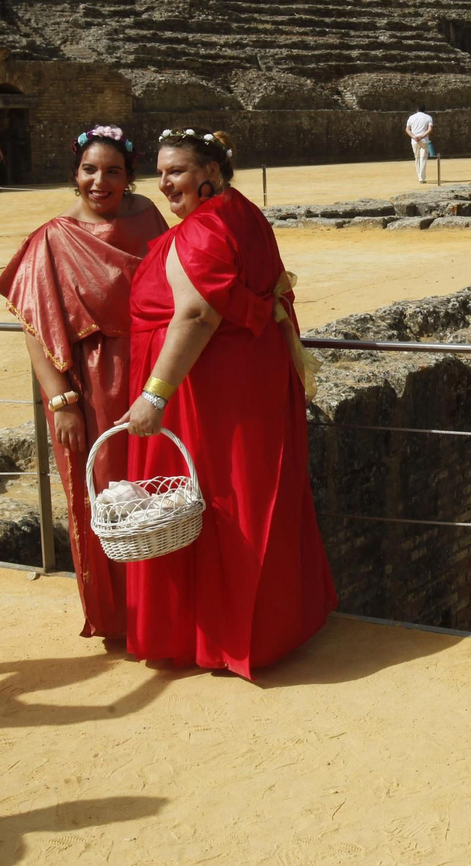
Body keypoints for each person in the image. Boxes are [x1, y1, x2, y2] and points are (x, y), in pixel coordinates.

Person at [120, 126, 337, 678]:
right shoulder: (240, 212)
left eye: (178, 171)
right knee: (251, 494)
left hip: (210, 396)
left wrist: (154, 395)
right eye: (162, 172)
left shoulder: (204, 229)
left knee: (217, 502)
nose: (166, 182)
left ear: (209, 174)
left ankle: (218, 638)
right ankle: (262, 630)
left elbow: (195, 315)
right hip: (247, 384)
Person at [0, 125, 166, 639]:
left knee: (158, 495)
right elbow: (33, 326)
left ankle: (163, 615)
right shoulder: (53, 235)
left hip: (150, 374)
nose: (100, 181)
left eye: (113, 171)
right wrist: (61, 401)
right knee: (105, 501)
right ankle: (120, 618)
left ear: (129, 177)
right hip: (87, 388)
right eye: (90, 170)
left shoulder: (150, 217)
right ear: (75, 174)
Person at [405, 107, 433, 183]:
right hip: (424, 140)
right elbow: (429, 129)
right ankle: (422, 178)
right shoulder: (428, 117)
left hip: (414, 141)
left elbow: (407, 129)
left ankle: (420, 177)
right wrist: (421, 136)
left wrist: (414, 137)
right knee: (423, 159)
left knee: (417, 159)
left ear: (417, 110)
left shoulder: (411, 117)